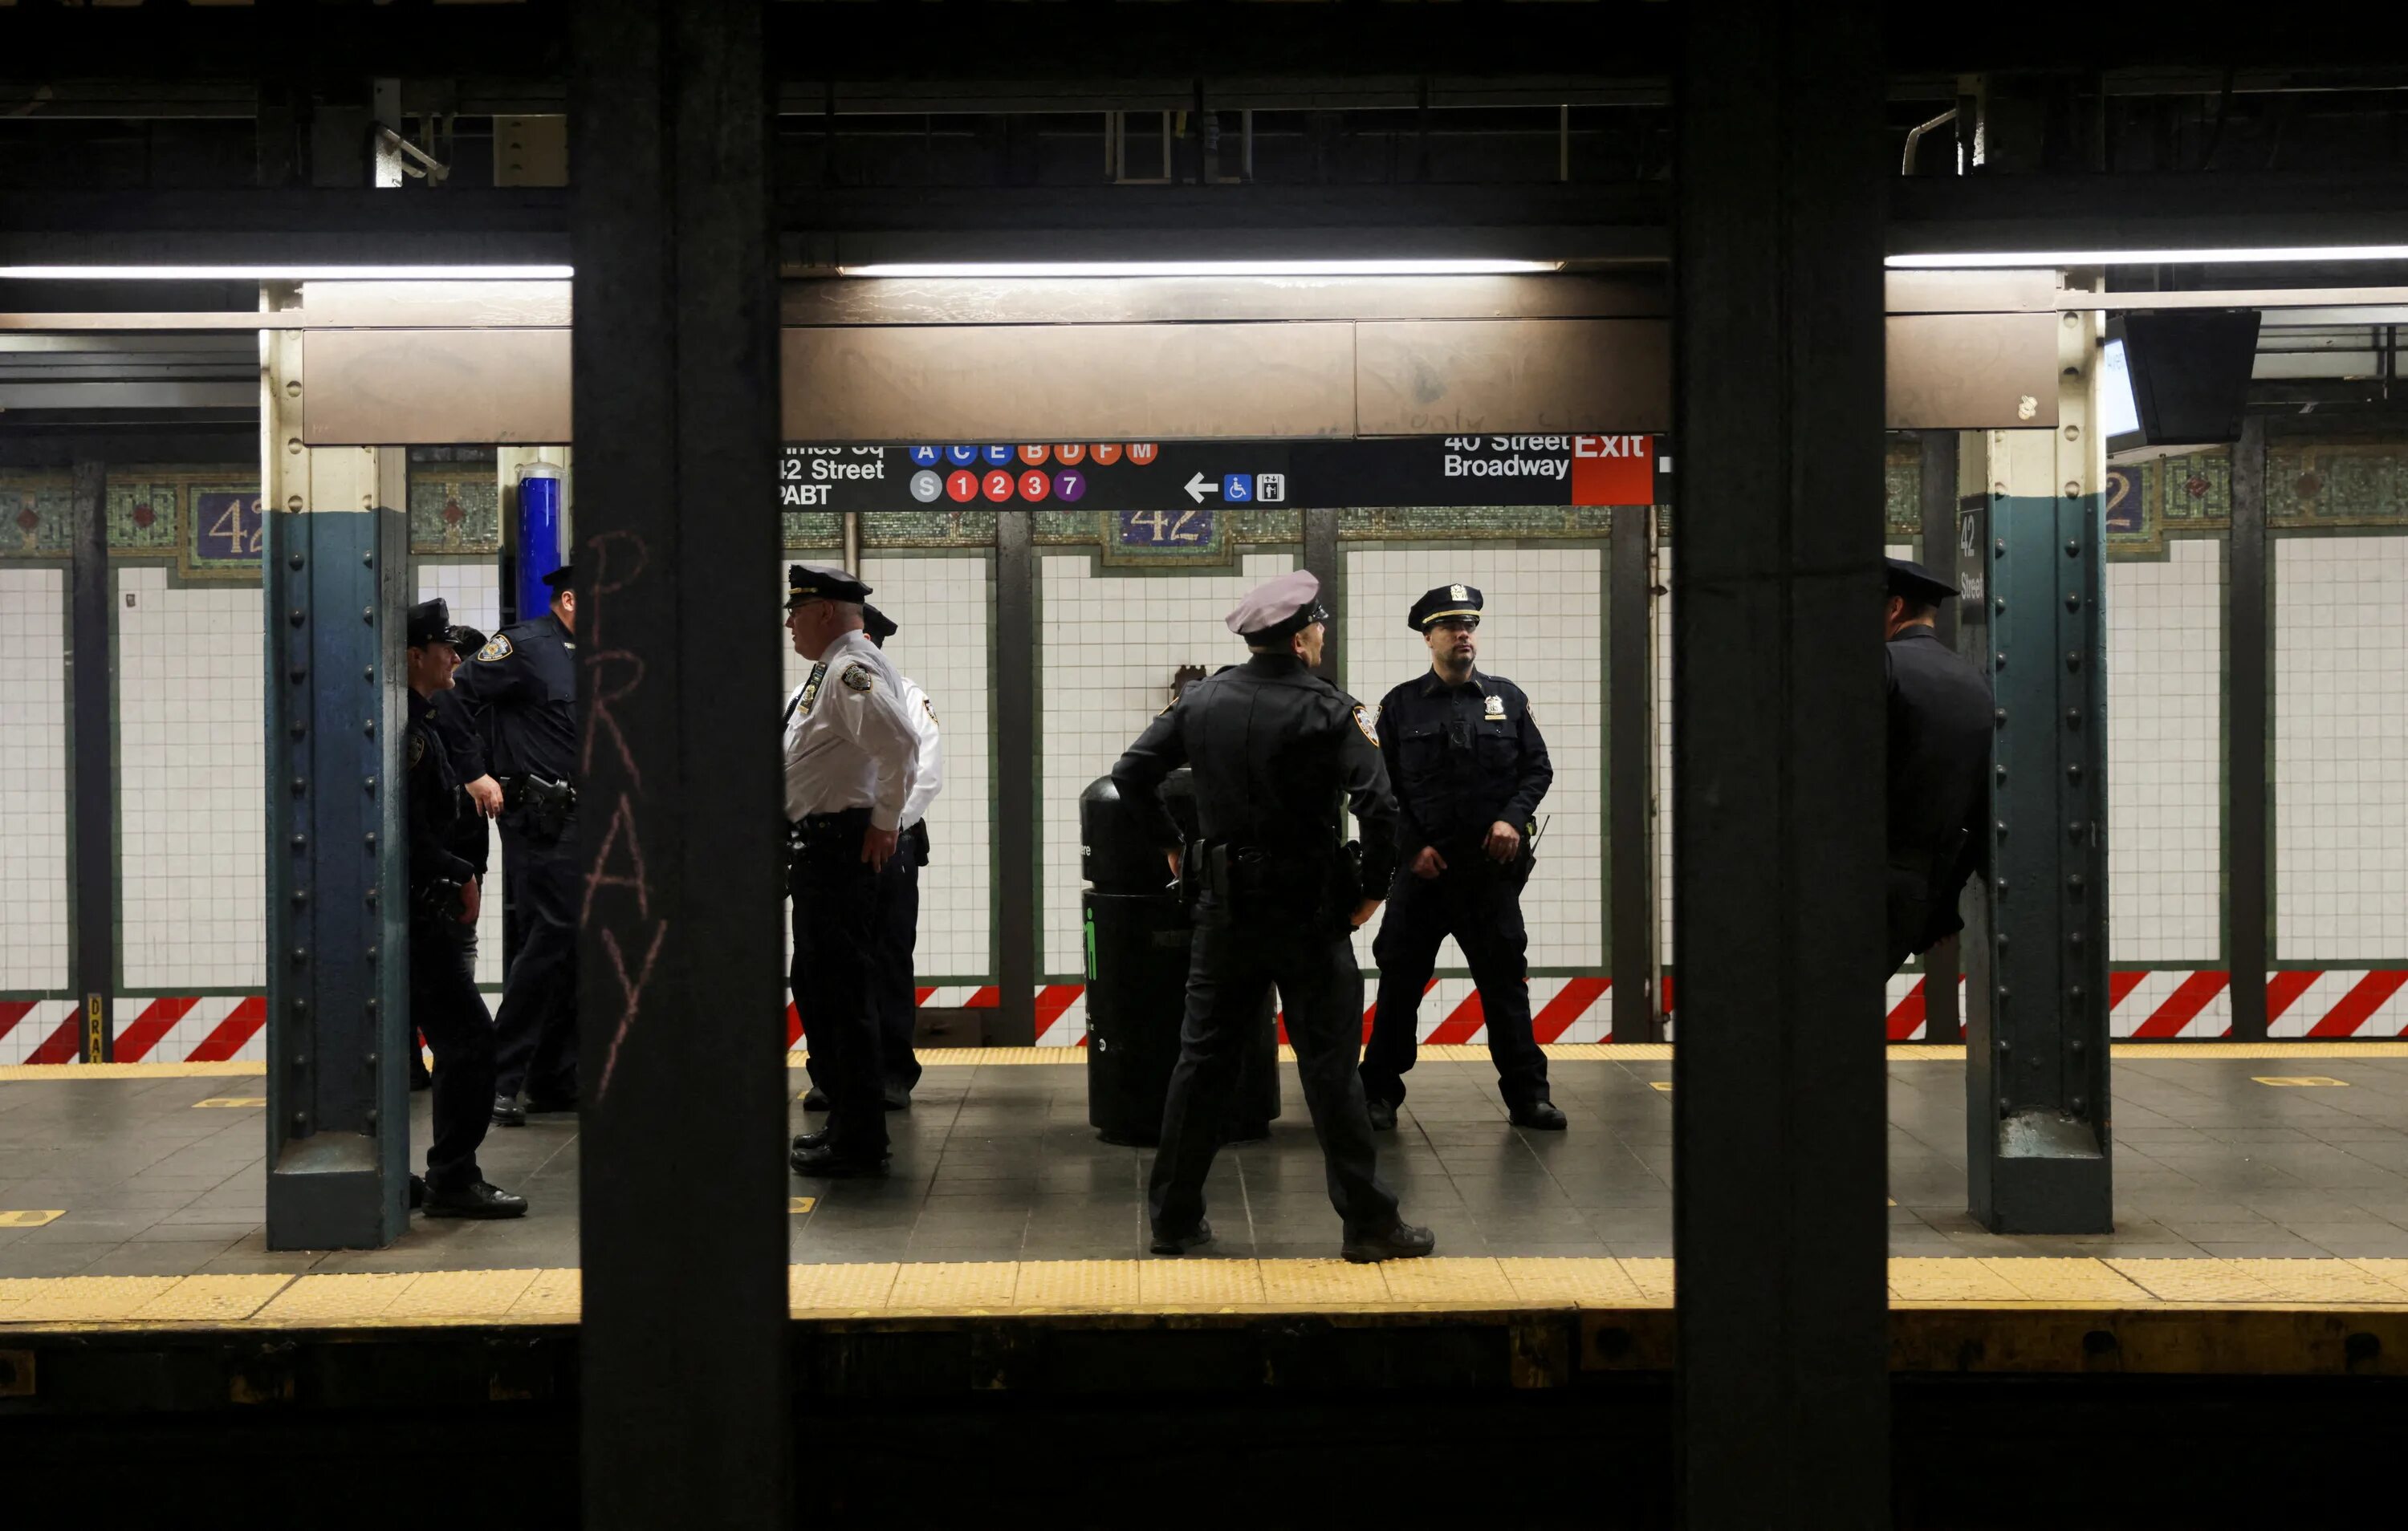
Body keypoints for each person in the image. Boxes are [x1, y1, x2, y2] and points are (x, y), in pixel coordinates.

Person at [1112, 569, 1434, 1265]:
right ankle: (1369, 1226)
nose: (1322, 635)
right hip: (1310, 914)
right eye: (1319, 626)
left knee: (1200, 1065)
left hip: (1225, 911)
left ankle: (1174, 1219)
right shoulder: (1330, 708)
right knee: (1329, 1069)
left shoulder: (1202, 704)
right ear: (1301, 636)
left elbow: (1132, 772)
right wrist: (1372, 890)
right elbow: (1380, 808)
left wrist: (1172, 843)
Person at [1358, 584, 1563, 1132]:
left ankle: (1529, 1098)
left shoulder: (1508, 700)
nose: (1463, 633)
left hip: (1488, 877)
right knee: (1399, 986)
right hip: (1424, 875)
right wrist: (1411, 847)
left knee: (1505, 989)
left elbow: (1537, 770)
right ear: (1429, 638)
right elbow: (1381, 788)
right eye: (1450, 626)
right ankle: (1378, 1096)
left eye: (1469, 624)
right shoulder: (1400, 706)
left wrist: (1512, 818)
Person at [781, 564, 923, 1178]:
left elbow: (900, 745)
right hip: (821, 849)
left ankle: (860, 1139)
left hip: (837, 850)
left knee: (842, 997)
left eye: (795, 612)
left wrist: (885, 821)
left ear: (822, 613)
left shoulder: (849, 668)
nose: (788, 624)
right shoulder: (837, 666)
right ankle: (847, 1124)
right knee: (826, 991)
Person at [402, 599, 527, 1219]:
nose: (456, 657)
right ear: (414, 656)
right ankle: (453, 1176)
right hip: (421, 915)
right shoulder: (415, 733)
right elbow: (409, 830)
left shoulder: (420, 721)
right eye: (443, 648)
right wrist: (457, 874)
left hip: (418, 911)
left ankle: (416, 1173)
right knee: (473, 1041)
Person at [454, 562, 580, 1129]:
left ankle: (552, 1078)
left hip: (590, 820)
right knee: (555, 933)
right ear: (571, 600)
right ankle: (498, 1078)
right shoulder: (525, 647)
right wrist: (475, 770)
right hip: (541, 818)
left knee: (572, 944)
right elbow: (454, 695)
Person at [1883, 557, 1991, 975]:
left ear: (1894, 608)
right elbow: (1976, 805)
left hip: (1860, 877)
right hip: (1919, 888)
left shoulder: (1883, 667)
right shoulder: (1975, 682)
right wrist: (1943, 906)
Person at [417, 623, 504, 1094]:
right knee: (454, 959)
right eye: (449, 655)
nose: (455, 665)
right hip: (451, 864)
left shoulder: (435, 719)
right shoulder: (449, 716)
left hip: (459, 861)